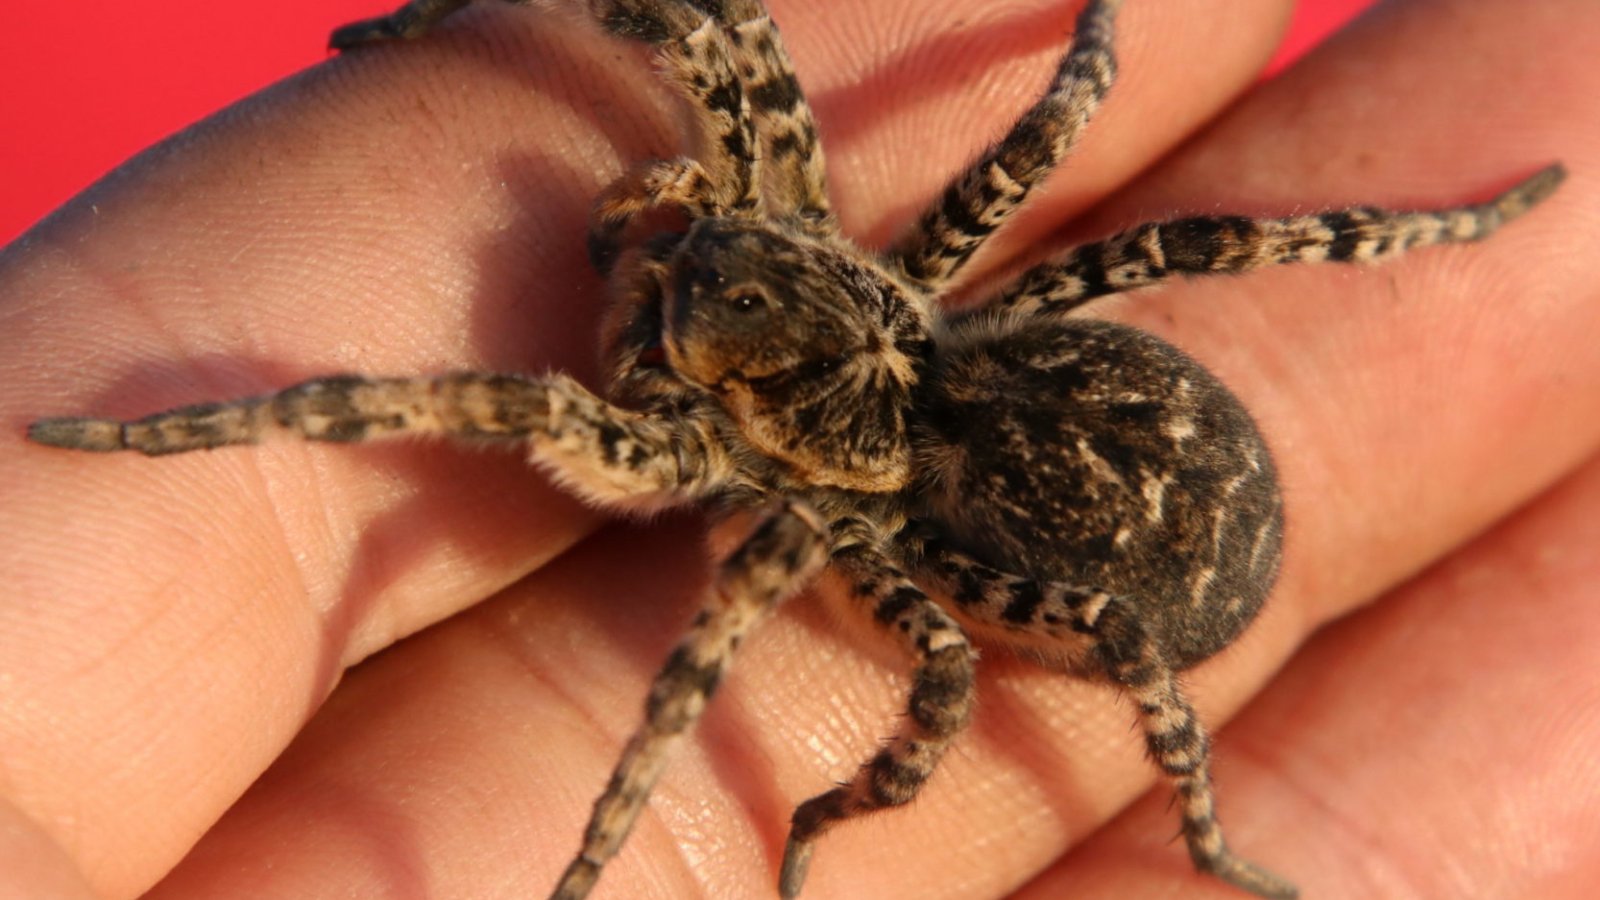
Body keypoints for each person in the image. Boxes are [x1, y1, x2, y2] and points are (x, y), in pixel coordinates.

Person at [1, 0, 1595, 897]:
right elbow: (714, 30)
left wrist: (646, 827)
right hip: (1002, 380)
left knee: (1041, 621)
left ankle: (1206, 837)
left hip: (989, 497)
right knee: (726, 34)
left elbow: (698, 627)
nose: (673, 273)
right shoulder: (768, 205)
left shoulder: (802, 516)